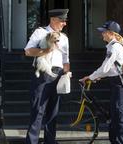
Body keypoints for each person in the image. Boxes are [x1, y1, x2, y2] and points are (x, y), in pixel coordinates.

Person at [80, 21, 123, 144]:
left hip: (120, 84)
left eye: (103, 32)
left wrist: (91, 77)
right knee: (115, 117)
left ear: (111, 33)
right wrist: (97, 76)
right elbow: (110, 69)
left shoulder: (114, 47)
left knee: (119, 118)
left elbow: (105, 68)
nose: (102, 35)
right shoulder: (112, 46)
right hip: (116, 83)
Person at [24, 9, 70, 144]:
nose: (64, 24)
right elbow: (28, 51)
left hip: (58, 74)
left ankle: (50, 141)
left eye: (65, 21)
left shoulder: (64, 38)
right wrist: (46, 50)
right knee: (38, 110)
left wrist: (67, 73)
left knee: (53, 111)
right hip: (43, 75)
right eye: (62, 21)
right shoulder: (40, 32)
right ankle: (32, 141)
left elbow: (66, 58)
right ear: (53, 19)